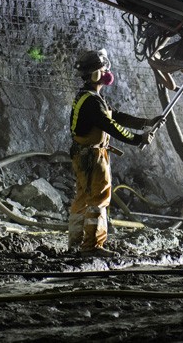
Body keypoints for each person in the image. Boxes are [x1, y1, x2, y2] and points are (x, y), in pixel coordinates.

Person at [68, 48, 158, 258]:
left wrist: (145, 123)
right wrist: (138, 139)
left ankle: (75, 243)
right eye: (103, 68)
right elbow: (110, 125)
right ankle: (92, 246)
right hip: (93, 157)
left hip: (83, 155)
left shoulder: (89, 96)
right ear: (96, 74)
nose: (107, 72)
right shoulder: (91, 101)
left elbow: (114, 115)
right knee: (99, 199)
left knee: (82, 198)